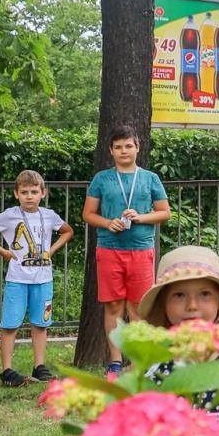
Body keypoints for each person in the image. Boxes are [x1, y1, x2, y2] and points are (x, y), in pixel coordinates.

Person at [136, 246, 219, 436]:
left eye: (204, 294)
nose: (192, 305)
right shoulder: (155, 364)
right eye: (179, 295)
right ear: (163, 303)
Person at [82, 125, 171, 376]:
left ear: (137, 147)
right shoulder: (102, 179)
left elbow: (165, 212)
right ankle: (115, 361)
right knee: (113, 307)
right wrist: (108, 222)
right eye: (118, 147)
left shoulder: (150, 178)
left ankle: (139, 361)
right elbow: (88, 214)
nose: (124, 151)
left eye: (128, 146)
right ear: (110, 150)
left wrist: (140, 217)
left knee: (138, 308)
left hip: (141, 250)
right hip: (109, 249)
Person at [0, 170, 73, 387]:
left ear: (42, 193)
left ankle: (39, 366)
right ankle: (7, 370)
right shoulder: (9, 215)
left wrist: (52, 250)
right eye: (24, 192)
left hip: (43, 279)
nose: (29, 196)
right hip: (17, 279)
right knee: (10, 325)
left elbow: (67, 231)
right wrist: (4, 252)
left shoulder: (49, 215)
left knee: (40, 323)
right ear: (16, 194)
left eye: (34, 192)